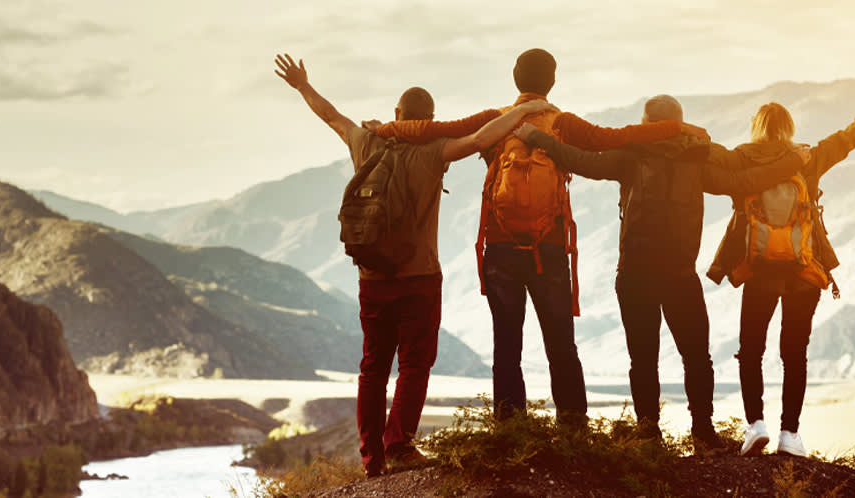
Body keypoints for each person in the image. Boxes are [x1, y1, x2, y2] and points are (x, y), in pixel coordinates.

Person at [371, 49, 708, 425]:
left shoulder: (494, 122)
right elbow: (620, 136)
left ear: (516, 78)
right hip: (549, 247)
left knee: (507, 347)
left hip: (500, 246)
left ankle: (510, 428)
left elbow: (436, 129)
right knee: (561, 343)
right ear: (552, 81)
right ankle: (573, 425)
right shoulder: (564, 123)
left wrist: (387, 128)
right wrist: (676, 128)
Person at [273, 52, 559, 477]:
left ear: (396, 114)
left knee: (372, 368)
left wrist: (302, 85)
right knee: (414, 364)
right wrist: (524, 110)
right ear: (429, 119)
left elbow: (331, 115)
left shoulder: (365, 142)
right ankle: (400, 444)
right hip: (419, 277)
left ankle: (371, 458)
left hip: (371, 278)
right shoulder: (434, 152)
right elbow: (481, 139)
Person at [511, 94, 806, 449]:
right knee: (697, 357)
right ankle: (703, 433)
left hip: (634, 273)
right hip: (680, 276)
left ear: (646, 123)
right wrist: (790, 162)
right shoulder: (694, 161)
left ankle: (649, 433)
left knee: (643, 358)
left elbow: (580, 160)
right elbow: (744, 182)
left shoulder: (630, 156)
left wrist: (536, 137)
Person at [706, 94, 855, 457]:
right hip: (804, 271)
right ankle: (790, 434)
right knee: (794, 353)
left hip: (758, 271)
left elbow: (704, 157)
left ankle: (756, 424)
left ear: (756, 128)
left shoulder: (741, 159)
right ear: (789, 129)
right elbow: (852, 135)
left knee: (751, 350)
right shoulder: (808, 157)